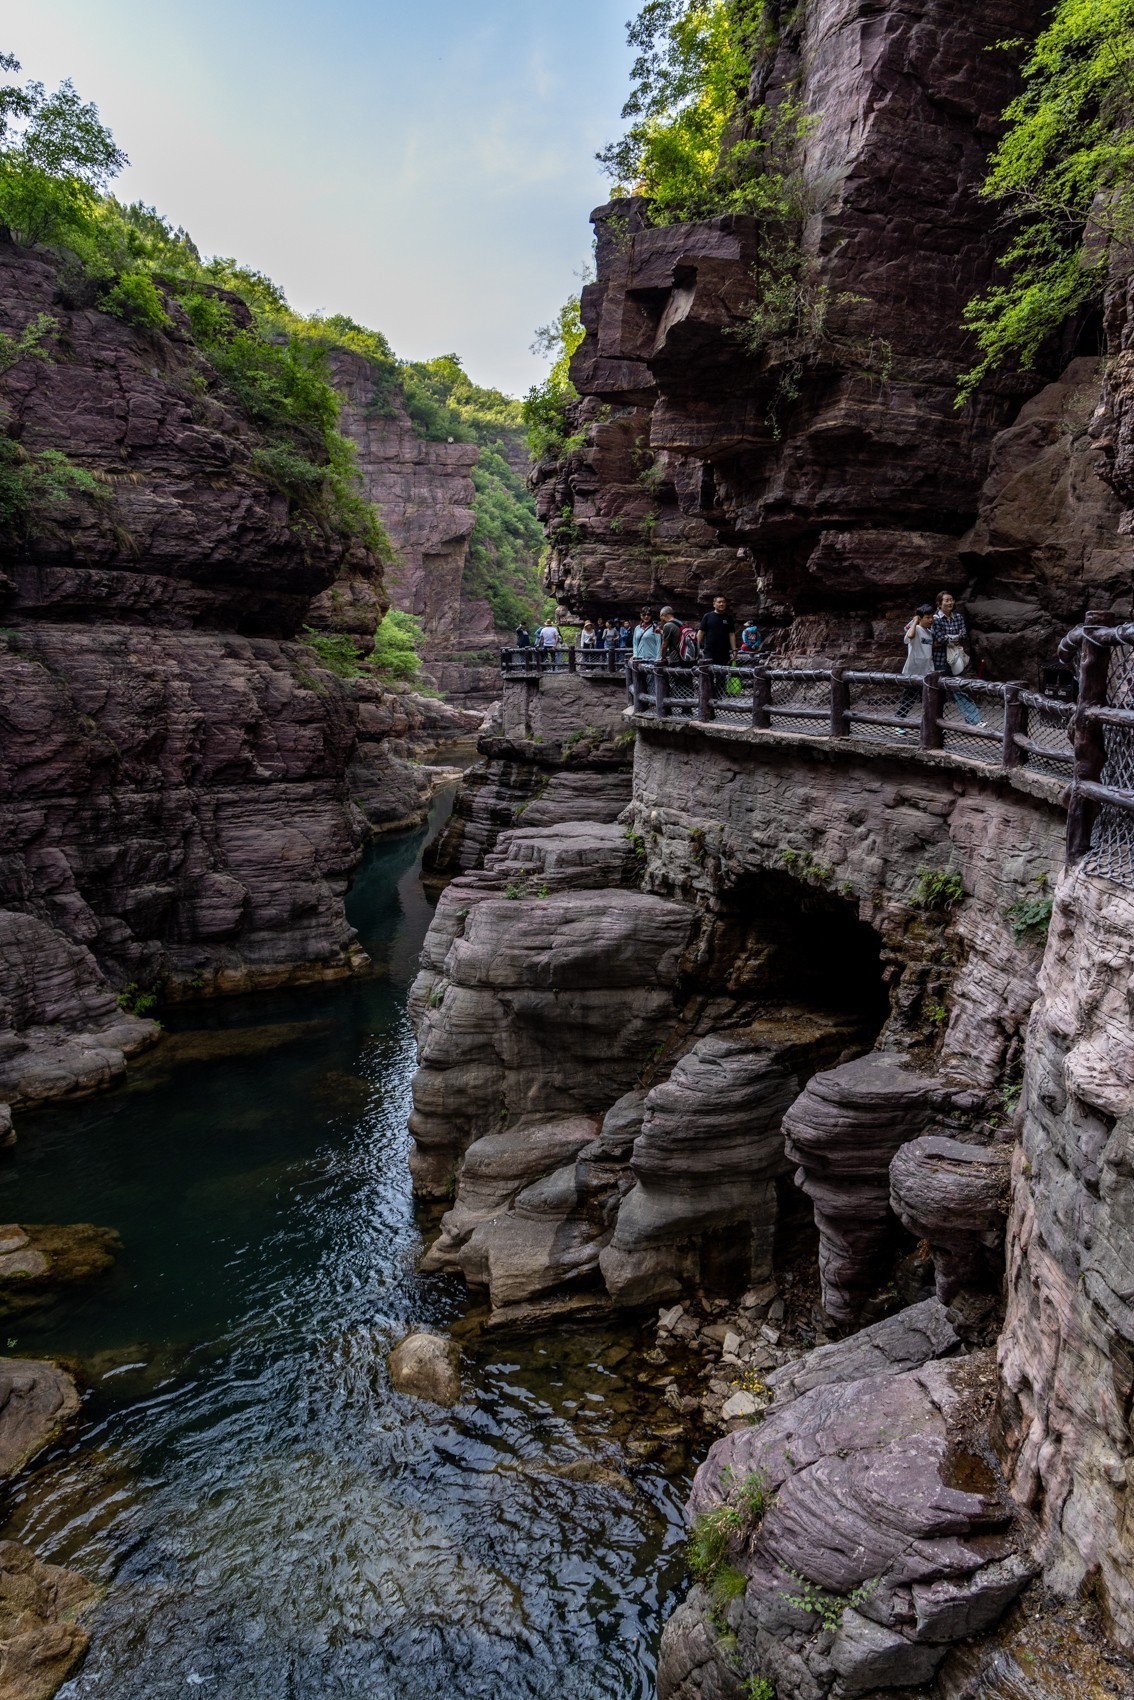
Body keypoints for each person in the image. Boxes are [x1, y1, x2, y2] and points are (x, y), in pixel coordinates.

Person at [931, 591, 984, 727]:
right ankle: (933, 722)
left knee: (960, 688)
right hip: (940, 660)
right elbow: (939, 638)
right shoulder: (935, 619)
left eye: (951, 599)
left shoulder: (958, 617)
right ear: (939, 604)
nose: (950, 602)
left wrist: (949, 637)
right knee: (937, 692)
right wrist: (954, 637)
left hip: (955, 659)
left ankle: (974, 720)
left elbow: (964, 635)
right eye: (946, 600)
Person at [896, 603, 934, 723]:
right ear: (920, 618)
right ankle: (899, 722)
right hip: (913, 671)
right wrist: (915, 621)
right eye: (927, 617)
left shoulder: (930, 633)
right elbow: (910, 636)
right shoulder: (916, 629)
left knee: (928, 701)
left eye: (932, 617)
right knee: (908, 700)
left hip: (926, 671)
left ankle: (928, 724)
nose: (931, 620)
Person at [699, 595, 736, 664]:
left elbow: (731, 634)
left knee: (724, 670)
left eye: (723, 602)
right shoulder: (707, 616)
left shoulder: (728, 618)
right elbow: (701, 632)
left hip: (724, 653)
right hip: (709, 652)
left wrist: (734, 650)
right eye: (719, 602)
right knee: (708, 669)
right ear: (714, 604)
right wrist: (696, 647)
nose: (722, 604)